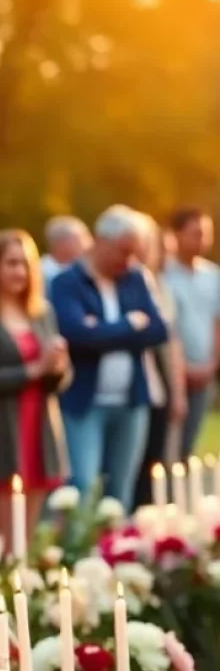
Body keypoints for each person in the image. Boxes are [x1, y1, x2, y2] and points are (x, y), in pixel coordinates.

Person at [51, 204, 168, 509]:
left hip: (131, 402)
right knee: (84, 485)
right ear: (101, 241)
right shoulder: (67, 282)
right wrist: (129, 325)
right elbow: (77, 335)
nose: (128, 261)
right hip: (84, 402)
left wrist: (100, 329)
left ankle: (117, 539)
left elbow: (158, 330)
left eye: (134, 254)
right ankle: (81, 540)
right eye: (123, 251)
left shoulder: (136, 278)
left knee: (121, 489)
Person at [0, 230, 70, 554]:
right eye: (11, 263)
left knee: (25, 541)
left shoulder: (41, 312)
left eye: (25, 264)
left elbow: (58, 381)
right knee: (0, 542)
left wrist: (57, 367)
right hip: (0, 432)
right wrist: (33, 370)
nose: (19, 272)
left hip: (39, 429)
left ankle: (23, 586)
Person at [133, 216, 186, 506]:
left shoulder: (162, 287)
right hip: (137, 384)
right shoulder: (131, 283)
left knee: (157, 456)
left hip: (159, 383)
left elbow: (170, 341)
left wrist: (177, 391)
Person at [162, 207, 220, 459]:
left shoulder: (213, 275)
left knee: (188, 444)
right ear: (177, 235)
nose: (203, 240)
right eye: (196, 233)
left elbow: (216, 322)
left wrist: (212, 364)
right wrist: (181, 368)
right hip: (171, 373)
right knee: (167, 444)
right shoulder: (163, 275)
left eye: (207, 234)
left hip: (204, 371)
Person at [40, 215, 92, 288]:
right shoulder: (41, 274)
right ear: (63, 243)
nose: (90, 243)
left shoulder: (85, 270)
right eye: (83, 238)